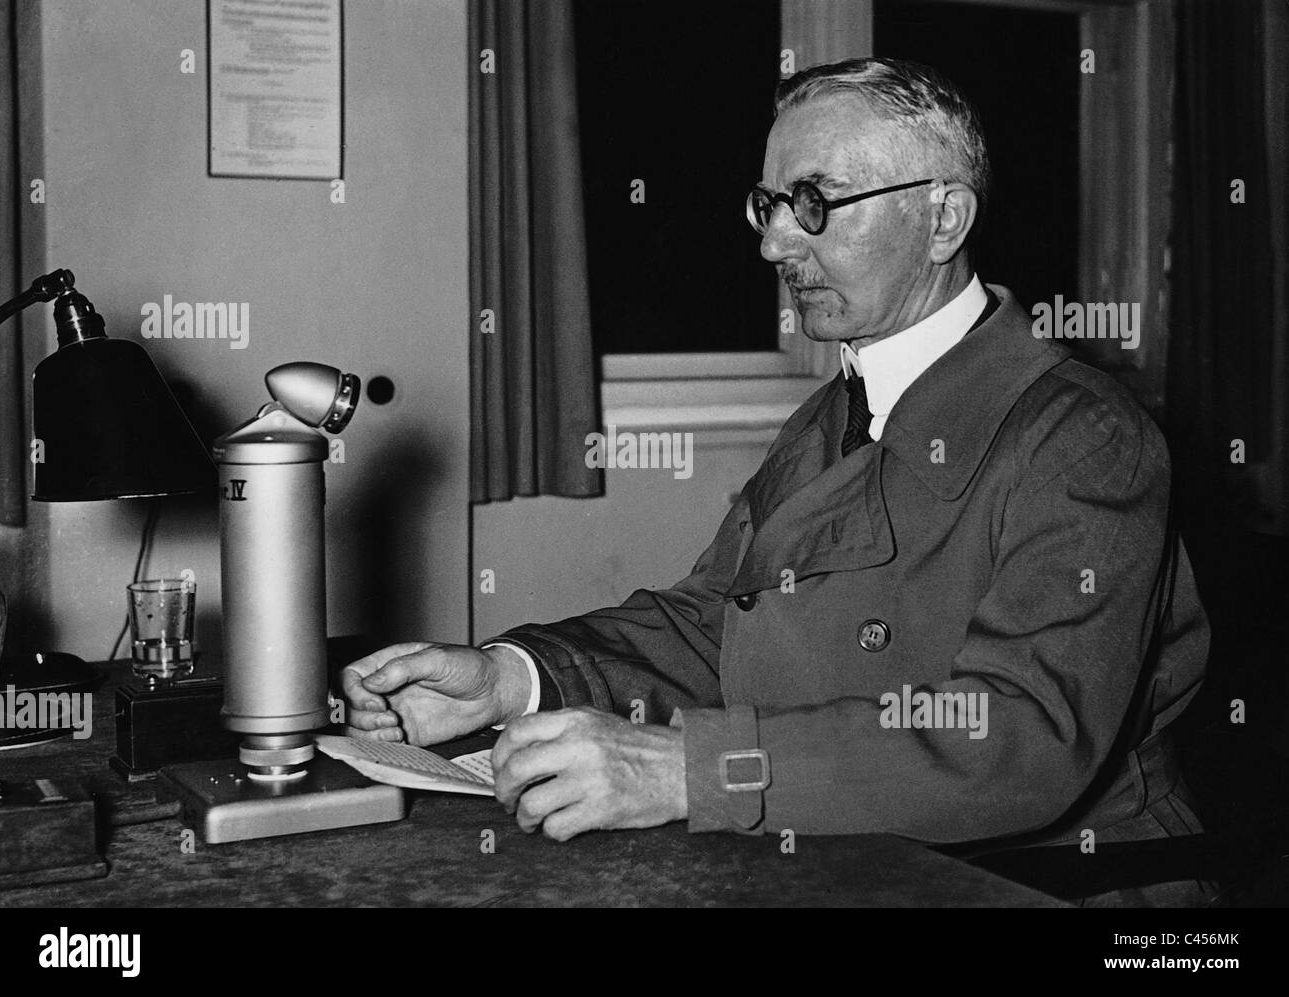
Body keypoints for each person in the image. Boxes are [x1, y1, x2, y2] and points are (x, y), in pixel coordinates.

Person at [342, 58, 1209, 900]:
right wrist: (514, 675)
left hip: (1058, 885)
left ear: (944, 220)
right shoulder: (834, 410)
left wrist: (691, 769)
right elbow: (717, 622)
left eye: (815, 204)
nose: (774, 243)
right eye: (770, 205)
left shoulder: (1086, 437)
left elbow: (1021, 739)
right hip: (861, 859)